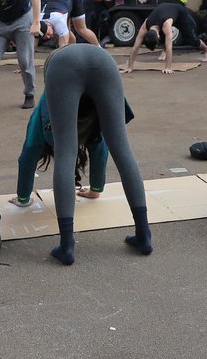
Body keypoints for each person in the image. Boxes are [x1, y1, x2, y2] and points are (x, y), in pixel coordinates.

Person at [39, 44, 151, 265]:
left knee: (65, 151)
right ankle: (144, 234)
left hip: (64, 67)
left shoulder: (54, 66)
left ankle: (67, 245)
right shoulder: (92, 55)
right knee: (122, 148)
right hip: (103, 61)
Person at [8, 88, 117, 208]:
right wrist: (96, 189)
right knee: (98, 145)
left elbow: (28, 155)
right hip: (84, 106)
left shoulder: (42, 119)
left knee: (90, 147)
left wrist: (23, 198)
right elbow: (100, 152)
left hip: (73, 110)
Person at [122, 1, 207, 75]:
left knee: (190, 39)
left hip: (180, 13)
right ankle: (163, 52)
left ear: (158, 36)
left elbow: (169, 47)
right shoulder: (145, 25)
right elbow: (135, 47)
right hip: (165, 11)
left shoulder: (166, 25)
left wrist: (168, 67)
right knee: (164, 37)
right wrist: (130, 67)